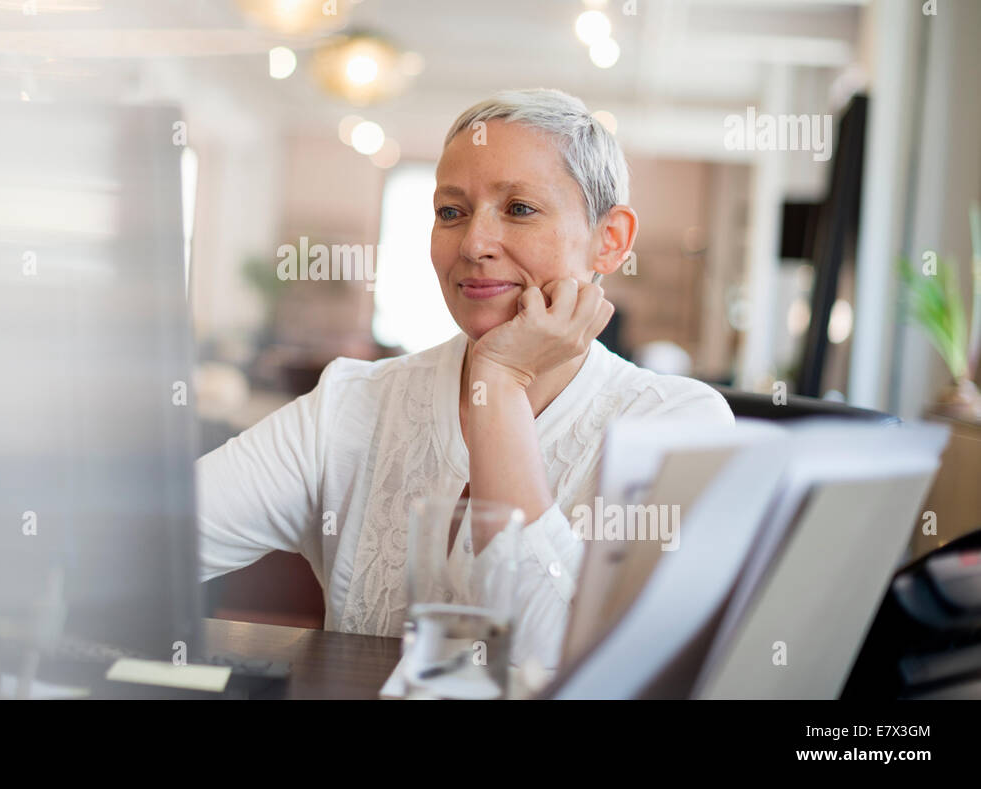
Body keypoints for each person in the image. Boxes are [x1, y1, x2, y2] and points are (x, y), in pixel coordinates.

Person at [196, 88, 734, 677]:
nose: (474, 245)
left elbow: (555, 669)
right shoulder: (353, 401)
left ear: (610, 240)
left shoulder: (679, 427)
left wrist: (500, 383)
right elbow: (156, 535)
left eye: (519, 209)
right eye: (451, 212)